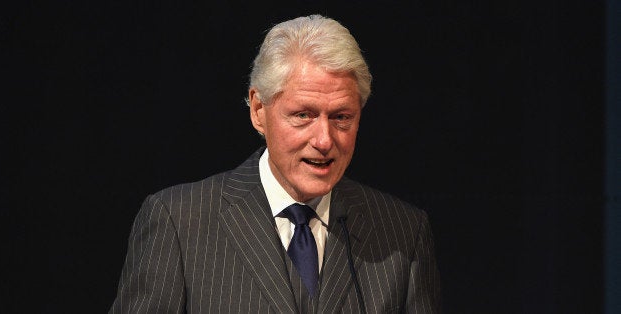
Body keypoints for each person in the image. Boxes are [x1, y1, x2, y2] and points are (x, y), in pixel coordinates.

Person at [110, 14, 440, 313]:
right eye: (303, 115)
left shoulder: (402, 233)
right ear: (258, 111)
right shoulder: (179, 222)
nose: (324, 140)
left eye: (341, 117)